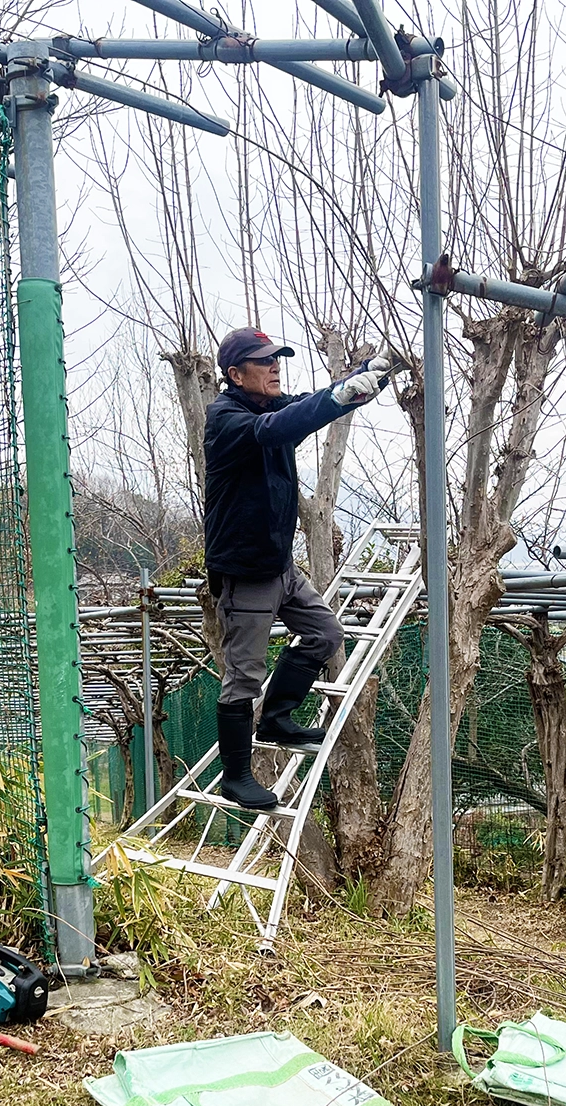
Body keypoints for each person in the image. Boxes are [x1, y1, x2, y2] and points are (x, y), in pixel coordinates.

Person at [202, 328, 391, 811]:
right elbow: (284, 426)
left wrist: (371, 375)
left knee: (326, 634)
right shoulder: (226, 419)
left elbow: (312, 403)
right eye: (264, 361)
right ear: (235, 374)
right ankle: (236, 777)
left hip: (280, 565)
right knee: (243, 677)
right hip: (246, 572)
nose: (274, 366)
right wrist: (345, 392)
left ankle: (277, 719)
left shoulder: (269, 407)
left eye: (277, 359)